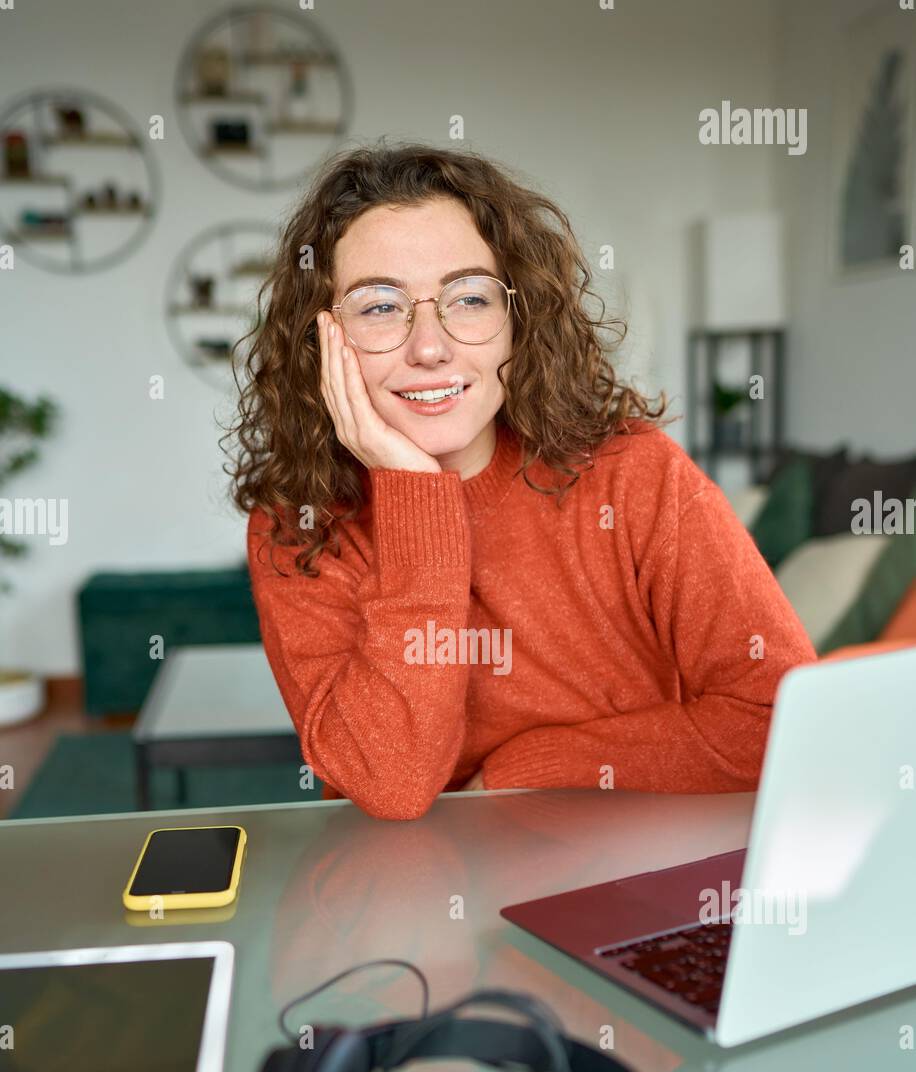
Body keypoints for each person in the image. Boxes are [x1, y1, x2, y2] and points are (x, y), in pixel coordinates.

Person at [224, 140, 815, 821]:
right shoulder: (298, 527)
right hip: (413, 899)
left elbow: (784, 721)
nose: (429, 346)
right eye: (381, 307)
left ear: (517, 320)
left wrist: (527, 771)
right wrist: (415, 493)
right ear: (322, 339)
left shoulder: (636, 476)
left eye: (469, 298)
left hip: (623, 878)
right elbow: (390, 783)